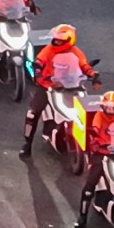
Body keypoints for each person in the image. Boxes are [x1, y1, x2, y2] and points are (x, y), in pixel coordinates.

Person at [23, 23, 95, 156]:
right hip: (48, 85)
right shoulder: (49, 49)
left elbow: (84, 65)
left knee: (88, 113)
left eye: (60, 40)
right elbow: (40, 60)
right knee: (32, 113)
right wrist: (38, 69)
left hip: (73, 86)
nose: (57, 42)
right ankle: (27, 144)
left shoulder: (76, 52)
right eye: (56, 39)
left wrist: (93, 74)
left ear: (69, 40)